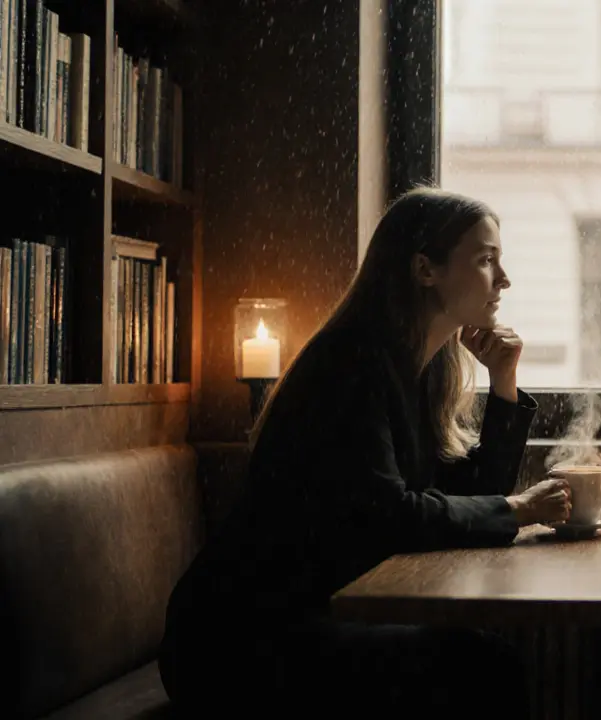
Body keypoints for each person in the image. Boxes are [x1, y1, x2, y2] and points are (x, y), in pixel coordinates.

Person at [158, 187, 572, 717]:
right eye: (487, 260)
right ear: (426, 270)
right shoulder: (351, 366)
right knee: (484, 665)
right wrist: (519, 509)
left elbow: (471, 493)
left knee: (481, 652)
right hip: (240, 641)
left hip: (311, 617)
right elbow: (390, 514)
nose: (504, 279)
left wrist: (505, 383)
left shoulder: (421, 366)